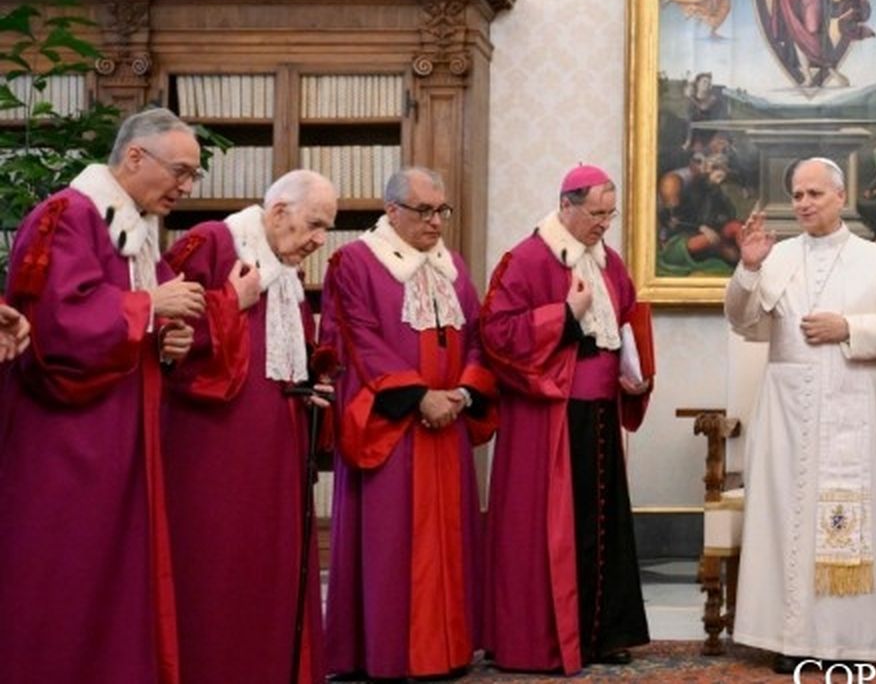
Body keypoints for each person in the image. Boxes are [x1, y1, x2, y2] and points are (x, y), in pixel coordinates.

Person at [0, 107, 212, 683]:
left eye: (194, 175)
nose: (187, 187)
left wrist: (168, 340)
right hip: (70, 441)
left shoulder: (134, 231)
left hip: (123, 432)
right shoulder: (68, 215)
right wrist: (149, 307)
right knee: (67, 575)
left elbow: (149, 324)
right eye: (181, 171)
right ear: (135, 156)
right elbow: (55, 324)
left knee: (118, 574)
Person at [724, 157, 876, 673]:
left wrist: (848, 328)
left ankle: (856, 641)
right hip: (788, 412)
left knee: (855, 520)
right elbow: (743, 321)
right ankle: (791, 638)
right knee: (788, 520)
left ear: (839, 196)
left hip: (854, 404)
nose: (804, 203)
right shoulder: (777, 257)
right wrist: (748, 268)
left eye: (814, 193)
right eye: (797, 195)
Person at [319, 167, 498, 682]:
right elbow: (357, 340)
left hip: (449, 424)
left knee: (449, 541)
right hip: (393, 427)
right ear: (392, 210)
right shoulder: (354, 263)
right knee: (392, 547)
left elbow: (478, 337)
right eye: (424, 211)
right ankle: (387, 655)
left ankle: (447, 651)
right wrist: (419, 397)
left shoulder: (453, 267)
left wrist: (462, 392)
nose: (436, 222)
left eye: (442, 211)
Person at [161, 169, 339, 684]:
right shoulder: (214, 244)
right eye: (315, 224)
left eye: (326, 229)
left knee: (274, 569)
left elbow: (285, 357)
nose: (320, 240)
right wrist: (230, 302)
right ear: (279, 212)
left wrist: (311, 384)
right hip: (215, 449)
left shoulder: (286, 270)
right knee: (220, 569)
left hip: (279, 446)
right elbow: (164, 334)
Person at [479, 164, 654, 673]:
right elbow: (497, 335)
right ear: (565, 206)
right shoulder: (527, 259)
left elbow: (626, 322)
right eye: (596, 213)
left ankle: (603, 634)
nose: (604, 224)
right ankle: (550, 639)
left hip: (600, 413)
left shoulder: (610, 262)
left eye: (610, 214)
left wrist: (635, 375)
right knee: (555, 530)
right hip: (550, 416)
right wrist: (565, 315)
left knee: (603, 524)